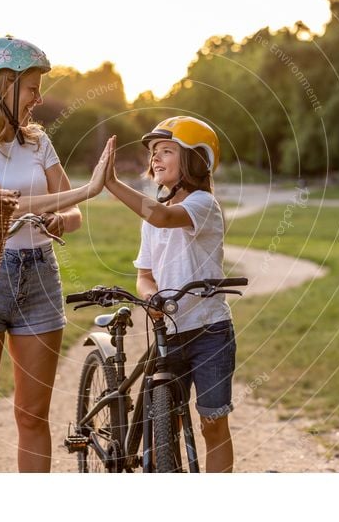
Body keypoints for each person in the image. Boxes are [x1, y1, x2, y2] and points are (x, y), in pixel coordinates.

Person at [0, 35, 111, 472]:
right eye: (32, 87)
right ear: (3, 84)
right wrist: (86, 190)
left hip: (39, 277)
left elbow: (69, 212)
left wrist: (65, 216)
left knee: (32, 415)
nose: (39, 97)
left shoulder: (38, 142)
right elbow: (2, 204)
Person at [102, 116, 236, 472]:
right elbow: (144, 276)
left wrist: (111, 183)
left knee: (213, 424)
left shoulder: (203, 205)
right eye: (153, 153)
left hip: (210, 332)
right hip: (170, 333)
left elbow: (162, 215)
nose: (155, 159)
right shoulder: (151, 219)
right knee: (165, 427)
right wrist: (150, 296)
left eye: (166, 150)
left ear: (196, 159)